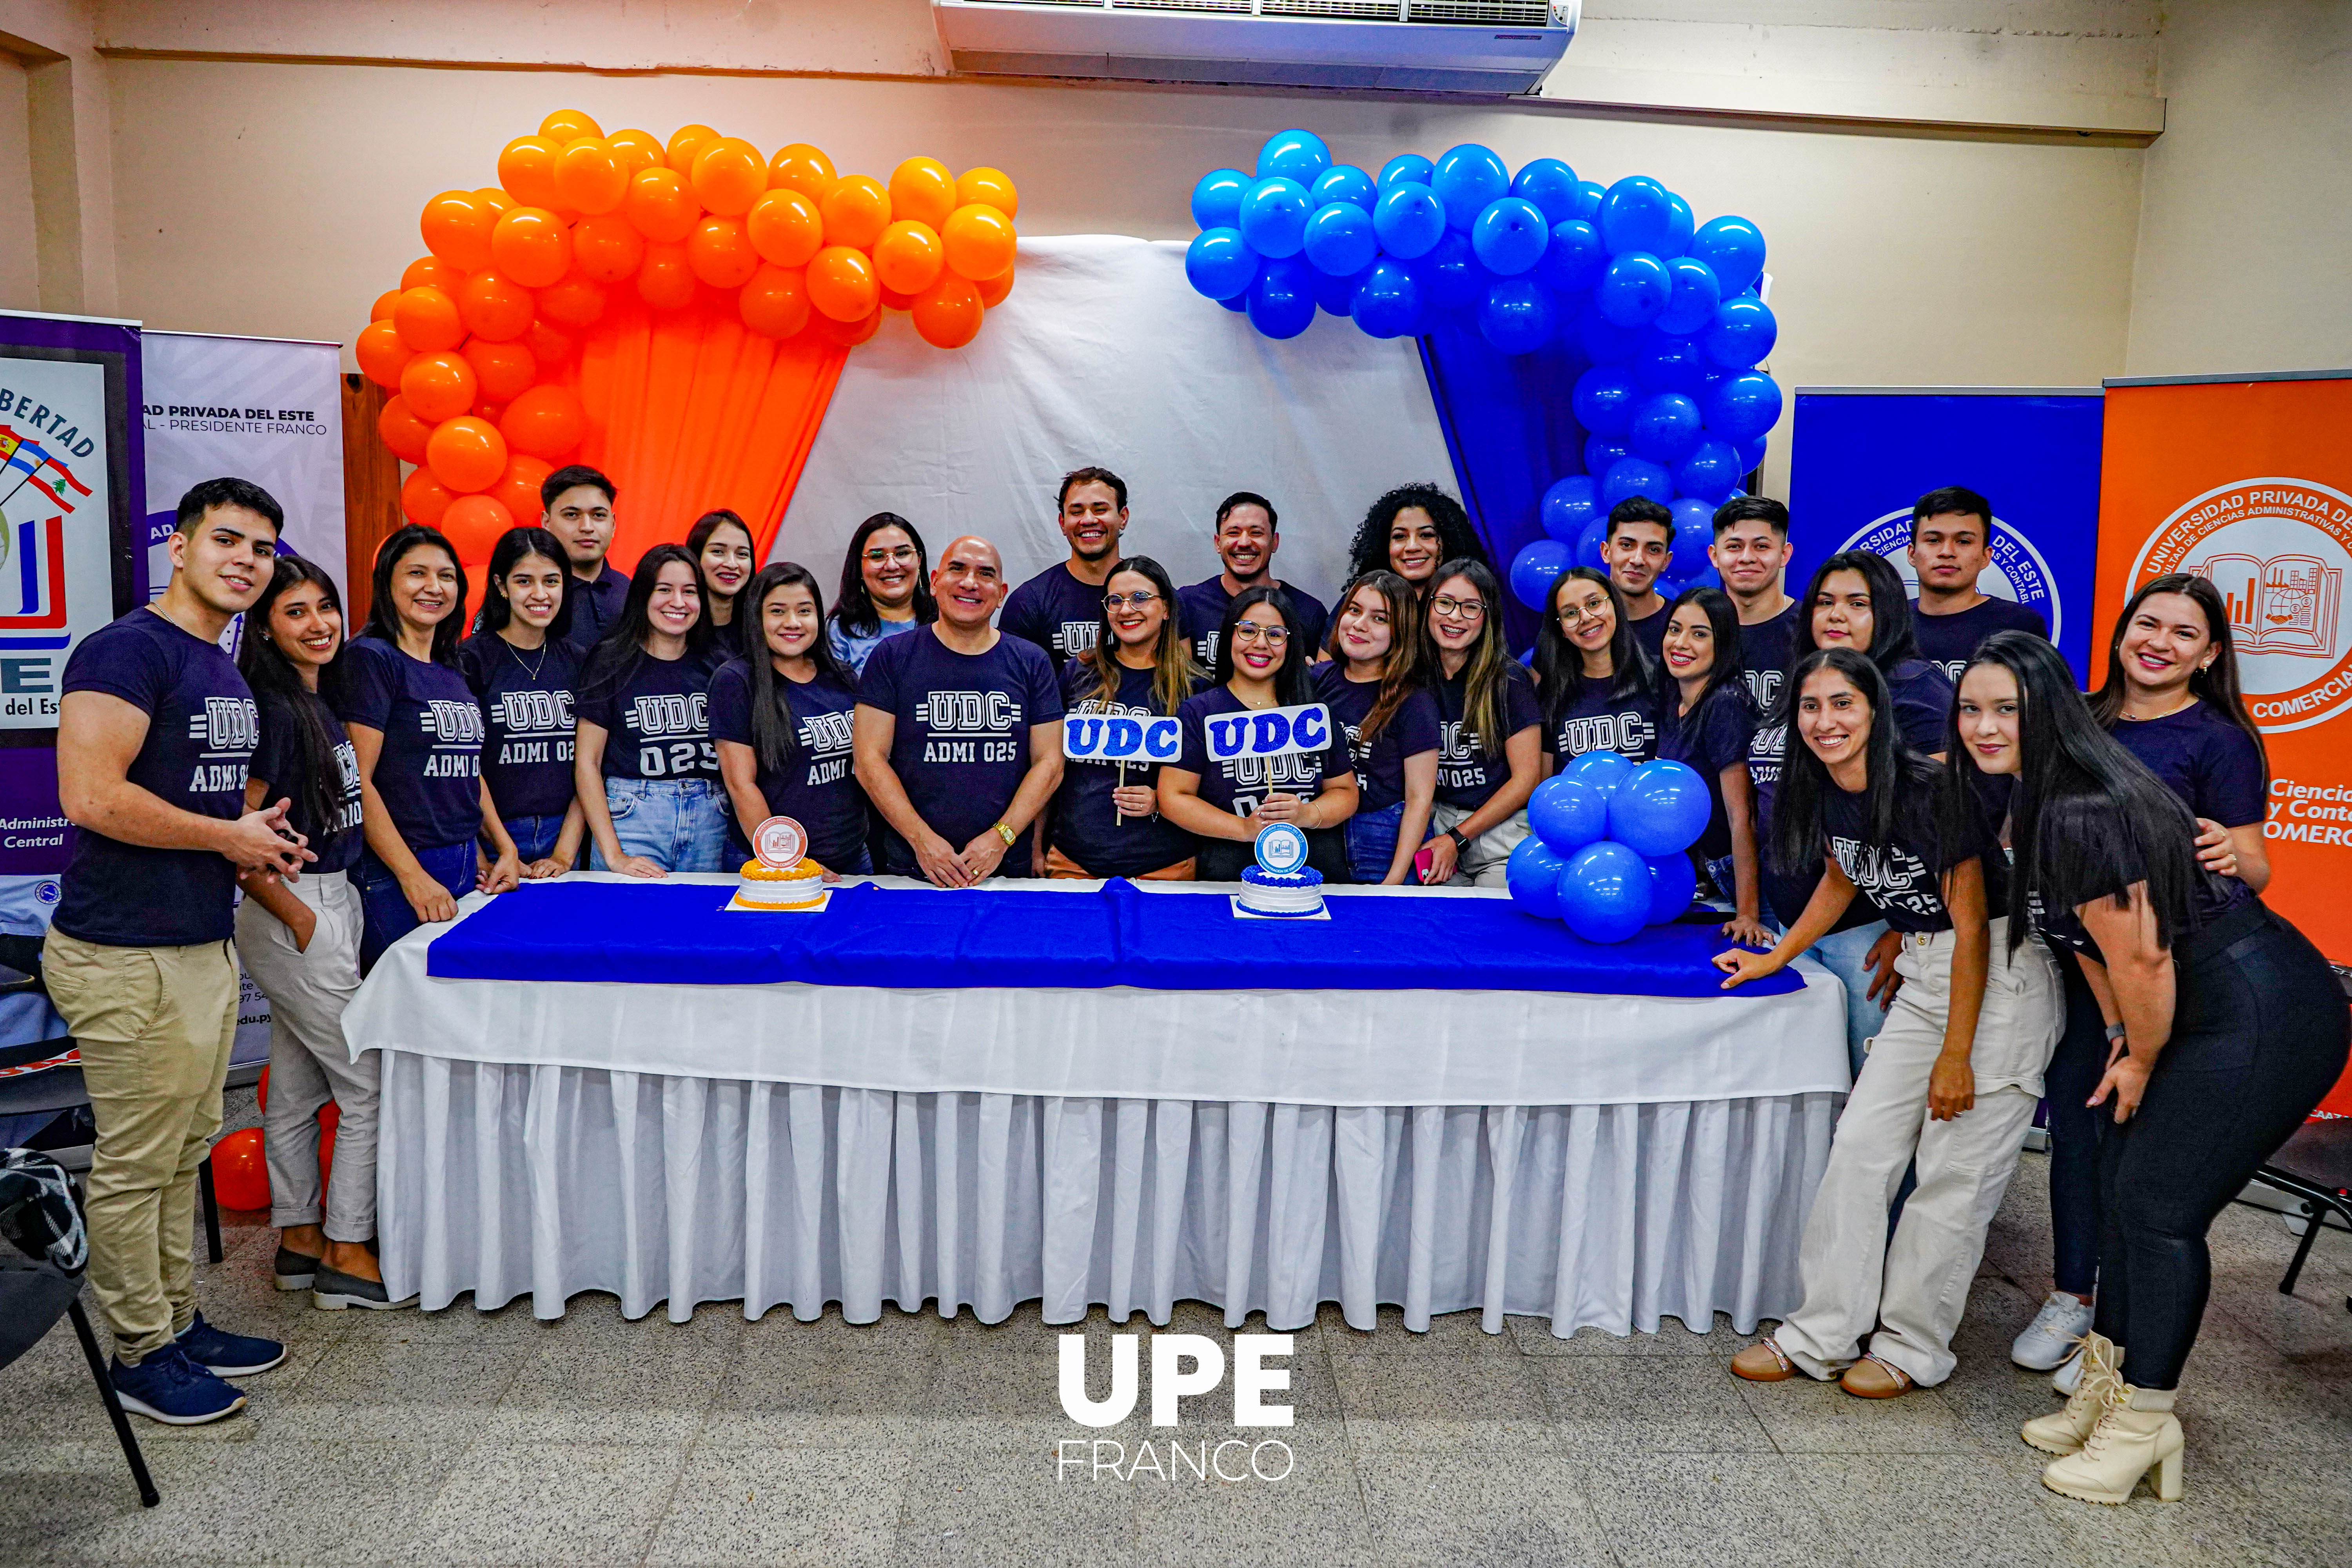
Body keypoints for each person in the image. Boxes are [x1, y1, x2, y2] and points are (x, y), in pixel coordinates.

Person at [1949, 633, 2346, 1504]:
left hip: (2261, 1009)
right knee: (2124, 1184)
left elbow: (2147, 963)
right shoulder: (2031, 799)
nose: (1984, 726)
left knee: (2158, 1205)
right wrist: (2127, 1041)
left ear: (2049, 708)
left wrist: (2142, 1054)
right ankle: (2108, 1381)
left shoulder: (2080, 807)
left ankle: (2146, 1420)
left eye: (2005, 708)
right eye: (1971, 707)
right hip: (2187, 1006)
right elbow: (2087, 940)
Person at [1722, 647, 2060, 1398]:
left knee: (1951, 1176)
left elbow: (1975, 929)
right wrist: (1778, 957)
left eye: (1843, 703)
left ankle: (1912, 1346)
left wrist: (1957, 1055)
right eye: (1811, 707)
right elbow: (1846, 875)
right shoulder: (1831, 788)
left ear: (1875, 709)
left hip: (1998, 983)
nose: (1825, 721)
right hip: (1923, 975)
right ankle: (1822, 1332)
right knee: (1861, 1149)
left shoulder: (1927, 789)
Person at [47, 477, 306, 1425]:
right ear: (181, 547)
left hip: (195, 941)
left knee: (183, 1147)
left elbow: (196, 800)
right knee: (138, 1159)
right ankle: (139, 1351)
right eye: (227, 540)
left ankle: (177, 1319)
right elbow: (92, 796)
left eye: (262, 548)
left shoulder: (220, 664)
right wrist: (226, 838)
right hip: (125, 950)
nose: (246, 559)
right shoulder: (126, 649)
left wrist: (255, 830)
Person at [2019, 574, 2270, 1379]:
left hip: (2159, 975)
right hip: (2078, 963)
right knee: (2077, 1129)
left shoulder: (2220, 739)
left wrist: (2237, 857)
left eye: (2184, 633)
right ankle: (2073, 1296)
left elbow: (2253, 862)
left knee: (2139, 1144)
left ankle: (2116, 1333)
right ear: (2122, 630)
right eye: (2147, 623)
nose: (2159, 642)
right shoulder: (2078, 719)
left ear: (2210, 655)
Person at [232, 556, 409, 1312]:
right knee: (366, 1081)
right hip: (295, 909)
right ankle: (348, 1247)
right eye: (296, 612)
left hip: (330, 899)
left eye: (325, 607)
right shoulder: (273, 710)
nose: (319, 624)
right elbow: (237, 829)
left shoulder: (318, 700)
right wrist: (297, 912)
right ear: (267, 629)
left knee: (299, 1087)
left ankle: (300, 1240)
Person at [1748, 550, 1956, 1075]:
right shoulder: (1811, 678)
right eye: (1825, 602)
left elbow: (1951, 825)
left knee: (1879, 1089)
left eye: (1856, 603)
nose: (1836, 615)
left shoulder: (1914, 687)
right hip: (1802, 916)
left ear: (1886, 611)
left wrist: (1904, 928)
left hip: (1871, 931)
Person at [343, 525, 514, 976]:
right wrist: (411, 876)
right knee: (406, 1010)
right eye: (417, 573)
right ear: (387, 582)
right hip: (397, 865)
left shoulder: (449, 667)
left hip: (461, 860)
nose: (434, 587)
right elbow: (356, 779)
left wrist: (501, 846)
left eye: (446, 576)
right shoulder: (372, 659)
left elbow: (466, 770)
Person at [854, 535, 1064, 884]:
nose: (970, 583)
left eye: (985, 574)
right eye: (958, 569)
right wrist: (922, 841)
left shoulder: (1032, 662)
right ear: (934, 582)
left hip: (1005, 868)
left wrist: (1001, 839)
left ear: (1002, 593)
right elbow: (868, 760)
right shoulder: (892, 657)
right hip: (912, 867)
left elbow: (1050, 764)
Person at [1161, 587, 1358, 882]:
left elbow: (1346, 792)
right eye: (1248, 631)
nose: (1261, 644)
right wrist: (1243, 829)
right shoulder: (1199, 712)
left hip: (1315, 875)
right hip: (1228, 876)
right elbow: (1173, 797)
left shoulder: (1314, 713)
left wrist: (1306, 813)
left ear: (1291, 644)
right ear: (1229, 635)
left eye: (1276, 635)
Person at [574, 543, 728, 875]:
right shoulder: (609, 660)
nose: (678, 602)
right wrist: (614, 856)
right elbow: (588, 763)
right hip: (632, 818)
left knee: (702, 925)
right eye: (664, 590)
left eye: (689, 591)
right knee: (628, 925)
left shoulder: (721, 666)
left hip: (711, 819)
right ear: (642, 595)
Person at [1047, 555, 1203, 880]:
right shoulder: (1078, 673)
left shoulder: (1196, 686)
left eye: (1141, 598)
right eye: (1115, 600)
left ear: (1167, 609)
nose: (1126, 609)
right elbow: (1047, 764)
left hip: (1164, 865)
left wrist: (1165, 801)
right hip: (1073, 860)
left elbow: (1215, 783)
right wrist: (1036, 845)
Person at [710, 563, 869, 875]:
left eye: (805, 611)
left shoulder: (842, 676)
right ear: (757, 617)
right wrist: (791, 863)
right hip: (771, 862)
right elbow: (741, 786)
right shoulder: (735, 680)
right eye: (778, 611)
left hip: (853, 857)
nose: (793, 623)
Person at [459, 526, 584, 875]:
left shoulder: (579, 660)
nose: (540, 594)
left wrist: (563, 854)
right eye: (524, 581)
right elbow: (467, 766)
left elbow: (590, 764)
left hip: (567, 835)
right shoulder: (471, 659)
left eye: (552, 581)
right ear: (501, 586)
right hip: (490, 834)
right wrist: (504, 847)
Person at [1658, 586, 1768, 947]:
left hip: (1750, 883)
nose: (1681, 643)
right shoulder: (1675, 698)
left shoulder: (1726, 703)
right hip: (1704, 881)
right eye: (1675, 629)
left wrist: (1748, 912)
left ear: (1723, 644)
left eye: (1699, 634)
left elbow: (1743, 816)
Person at [1419, 560, 1539, 886]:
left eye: (1471, 607)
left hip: (1500, 832)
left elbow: (1527, 779)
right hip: (1437, 827)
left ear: (1487, 617)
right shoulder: (1412, 677)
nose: (1455, 617)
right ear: (1427, 607)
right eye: (1445, 603)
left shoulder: (1509, 679)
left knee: (1491, 931)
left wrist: (1458, 838)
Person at [1317, 570, 1441, 885]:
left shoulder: (1414, 700)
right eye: (1354, 610)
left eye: (1379, 619)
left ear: (1400, 633)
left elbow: (1419, 799)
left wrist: (1396, 879)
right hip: (1322, 835)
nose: (1359, 625)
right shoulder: (1316, 680)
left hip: (1383, 840)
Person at [1907, 485, 2047, 682]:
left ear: (1986, 556)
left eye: (1963, 542)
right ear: (1912, 553)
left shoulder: (2020, 625)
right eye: (1933, 540)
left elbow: (2039, 704)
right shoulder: (1887, 623)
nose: (1947, 552)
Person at [1178, 491, 1330, 668]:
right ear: (1218, 543)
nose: (1244, 543)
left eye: (1256, 533)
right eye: (1233, 533)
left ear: (1275, 542)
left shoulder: (1309, 612)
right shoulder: (1187, 605)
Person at [1002, 466, 1129, 671]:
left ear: (1123, 518)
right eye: (1076, 512)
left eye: (1100, 510)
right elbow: (1014, 684)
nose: (1088, 520)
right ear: (1063, 523)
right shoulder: (1029, 601)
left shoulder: (1152, 596)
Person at [1534, 568, 1661, 771]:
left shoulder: (1662, 677)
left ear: (1615, 606)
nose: (1585, 618)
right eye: (1571, 613)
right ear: (1563, 631)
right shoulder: (1550, 693)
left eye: (1594, 603)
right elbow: (1545, 783)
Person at [1708, 495, 1799, 710]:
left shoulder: (1811, 629)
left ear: (1784, 555)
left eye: (1761, 546)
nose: (1747, 557)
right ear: (1714, 556)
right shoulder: (1692, 632)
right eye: (1734, 547)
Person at [828, 512, 936, 675]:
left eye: (902, 554)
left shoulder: (945, 620)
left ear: (919, 561)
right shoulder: (840, 630)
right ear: (860, 568)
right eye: (877, 556)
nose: (892, 566)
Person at [1343, 483, 1487, 602]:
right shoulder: (1359, 602)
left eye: (1426, 535)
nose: (1412, 547)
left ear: (1450, 543)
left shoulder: (1471, 604)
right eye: (1400, 537)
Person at [543, 465, 626, 652]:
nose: (587, 527)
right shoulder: (533, 595)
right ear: (546, 522)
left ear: (613, 524)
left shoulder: (632, 592)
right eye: (572, 515)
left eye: (598, 515)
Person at [1602, 497, 1677, 660]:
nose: (1638, 560)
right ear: (1606, 552)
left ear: (1666, 561)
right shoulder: (1581, 625)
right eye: (1627, 545)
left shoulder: (1682, 625)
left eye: (1653, 550)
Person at [688, 508, 759, 662]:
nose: (732, 565)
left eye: (742, 554)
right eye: (718, 552)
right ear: (695, 556)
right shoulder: (675, 630)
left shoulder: (761, 632)